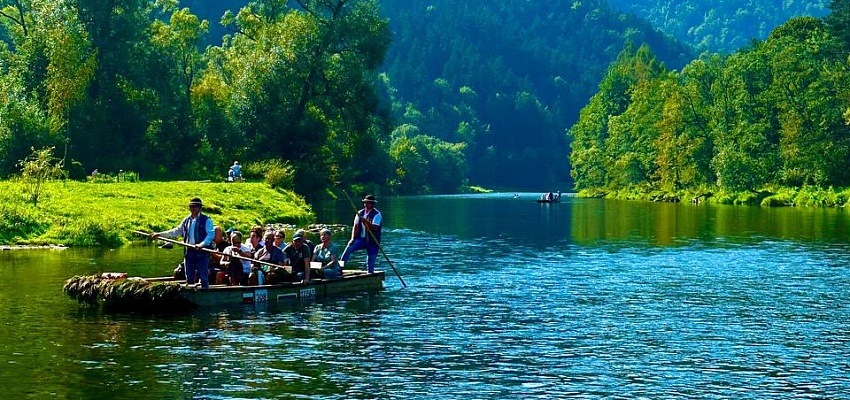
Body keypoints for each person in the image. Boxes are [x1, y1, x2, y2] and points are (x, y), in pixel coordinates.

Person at [152, 197, 215, 288]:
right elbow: (176, 231)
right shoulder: (186, 220)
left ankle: (205, 293)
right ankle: (190, 292)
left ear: (200, 208)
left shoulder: (206, 220)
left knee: (203, 278)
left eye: (195, 206)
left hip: (202, 252)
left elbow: (210, 235)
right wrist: (160, 234)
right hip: (189, 252)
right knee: (189, 277)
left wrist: (201, 245)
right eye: (191, 206)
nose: (193, 208)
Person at [340, 194, 382, 274]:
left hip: (373, 241)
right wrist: (352, 238)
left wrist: (366, 222)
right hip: (361, 239)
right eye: (365, 202)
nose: (366, 204)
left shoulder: (377, 214)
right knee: (348, 248)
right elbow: (355, 227)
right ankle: (339, 268)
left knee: (371, 261)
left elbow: (375, 227)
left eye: (368, 203)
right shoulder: (359, 213)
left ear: (372, 204)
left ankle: (370, 275)